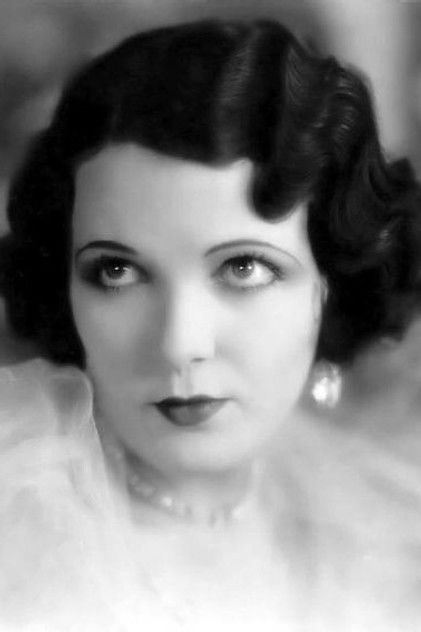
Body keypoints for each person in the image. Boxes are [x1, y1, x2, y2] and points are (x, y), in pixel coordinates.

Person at [0, 18, 420, 631]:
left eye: (243, 268)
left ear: (329, 280)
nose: (179, 344)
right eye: (116, 271)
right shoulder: (23, 550)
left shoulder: (382, 531)